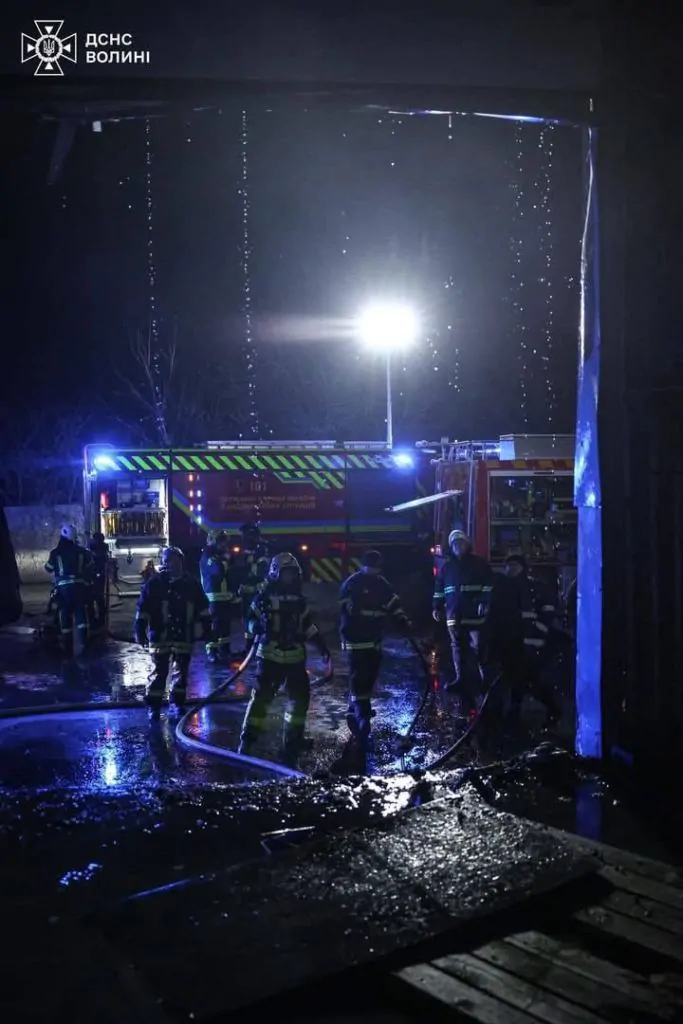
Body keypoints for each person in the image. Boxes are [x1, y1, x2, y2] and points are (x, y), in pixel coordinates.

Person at [238, 552, 332, 763]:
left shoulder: (300, 601)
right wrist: (256, 626)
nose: (290, 577)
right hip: (269, 659)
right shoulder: (264, 597)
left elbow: (307, 626)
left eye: (292, 573)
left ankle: (292, 740)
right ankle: (248, 740)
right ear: (275, 574)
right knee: (261, 699)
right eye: (286, 573)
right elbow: (250, 620)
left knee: (299, 701)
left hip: (295, 660)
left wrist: (321, 646)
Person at [339, 550, 411, 749]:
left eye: (376, 567)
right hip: (355, 641)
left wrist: (402, 621)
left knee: (369, 678)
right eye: (371, 567)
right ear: (363, 566)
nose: (374, 570)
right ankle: (361, 715)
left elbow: (394, 605)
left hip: (373, 641)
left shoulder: (382, 584)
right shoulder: (353, 584)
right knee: (359, 678)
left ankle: (356, 709)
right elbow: (346, 606)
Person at [485, 554, 561, 730]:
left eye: (515, 565)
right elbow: (494, 618)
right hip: (509, 644)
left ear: (523, 568)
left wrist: (536, 640)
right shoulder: (501, 588)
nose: (510, 569)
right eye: (508, 565)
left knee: (528, 681)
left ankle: (548, 711)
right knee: (515, 680)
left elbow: (546, 616)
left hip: (527, 644)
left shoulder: (536, 589)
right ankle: (514, 717)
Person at [134, 546, 211, 711]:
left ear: (181, 562)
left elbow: (203, 608)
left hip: (184, 635)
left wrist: (206, 628)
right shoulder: (154, 583)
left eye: (175, 560)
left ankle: (177, 703)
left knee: (181, 672)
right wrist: (140, 630)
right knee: (159, 672)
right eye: (168, 561)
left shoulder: (191, 584)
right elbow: (143, 609)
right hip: (160, 635)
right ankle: (154, 706)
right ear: (163, 562)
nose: (171, 564)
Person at [433, 529, 494, 711]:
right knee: (457, 647)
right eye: (455, 544)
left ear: (467, 545)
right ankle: (460, 679)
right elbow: (439, 589)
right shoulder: (447, 568)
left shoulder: (479, 564)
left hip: (474, 614)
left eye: (461, 543)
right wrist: (436, 607)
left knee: (479, 646)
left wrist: (484, 602)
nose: (458, 546)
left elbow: (489, 585)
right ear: (451, 547)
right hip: (454, 614)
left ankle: (485, 680)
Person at [44, 524, 94, 656]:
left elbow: (48, 568)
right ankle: (84, 644)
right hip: (79, 587)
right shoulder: (82, 552)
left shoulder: (55, 553)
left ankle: (67, 647)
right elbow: (91, 565)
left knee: (65, 615)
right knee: (80, 613)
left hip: (63, 590)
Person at [199, 530, 241, 662]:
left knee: (225, 627)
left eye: (224, 541)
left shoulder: (222, 555)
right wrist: (226, 561)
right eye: (220, 541)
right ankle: (212, 652)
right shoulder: (207, 555)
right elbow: (218, 569)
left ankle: (224, 651)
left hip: (225, 597)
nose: (223, 544)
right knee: (214, 627)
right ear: (211, 541)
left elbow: (233, 573)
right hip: (212, 598)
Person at [236, 523, 269, 650]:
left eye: (245, 536)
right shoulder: (247, 551)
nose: (243, 539)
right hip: (247, 592)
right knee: (247, 619)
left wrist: (247, 567)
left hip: (257, 593)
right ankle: (249, 647)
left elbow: (260, 573)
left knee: (256, 619)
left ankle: (256, 646)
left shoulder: (261, 551)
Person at [88, 531, 109, 631]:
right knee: (98, 598)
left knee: (96, 598)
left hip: (96, 574)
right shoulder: (101, 547)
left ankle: (97, 620)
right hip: (97, 574)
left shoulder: (100, 548)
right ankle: (98, 619)